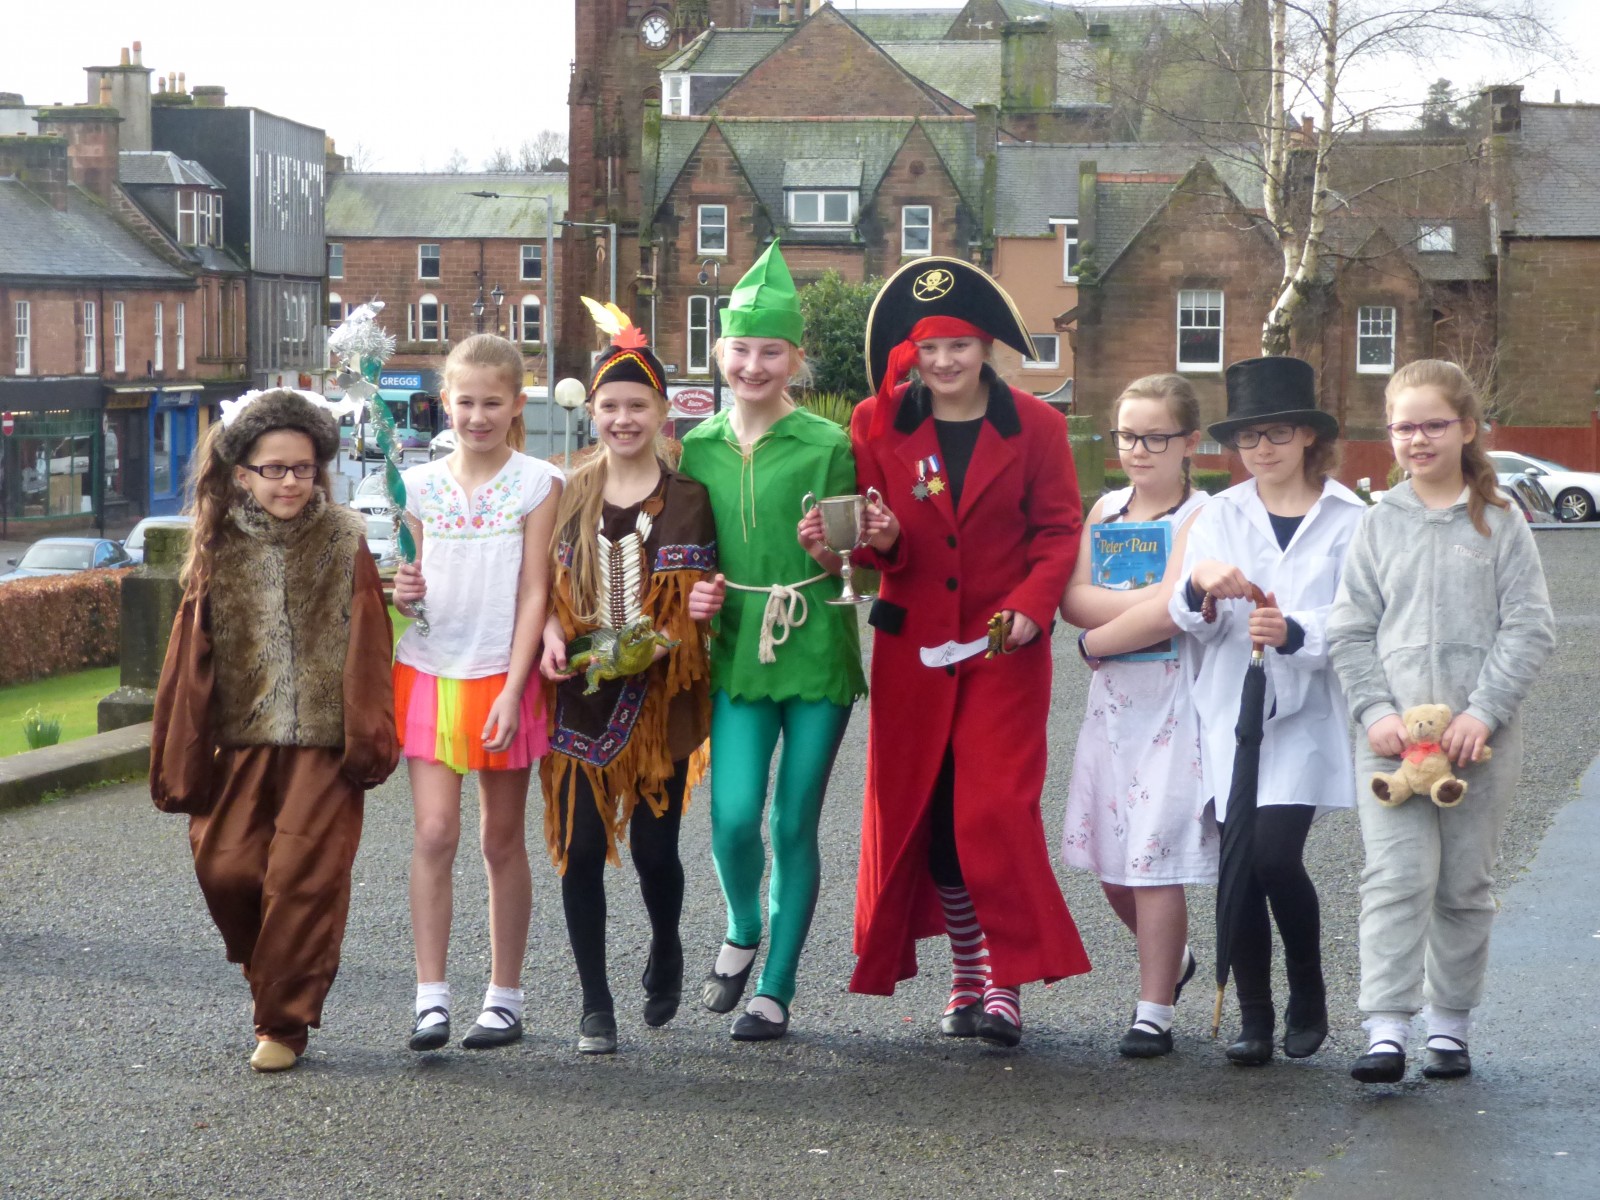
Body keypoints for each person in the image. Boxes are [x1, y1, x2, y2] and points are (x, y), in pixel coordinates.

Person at [847, 257, 1089, 1049]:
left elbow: (1058, 531)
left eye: (959, 345)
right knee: (929, 818)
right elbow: (873, 546)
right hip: (913, 651)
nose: (944, 361)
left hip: (1001, 649)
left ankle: (1006, 979)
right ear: (911, 352)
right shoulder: (876, 422)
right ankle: (968, 969)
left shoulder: (1039, 427)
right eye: (930, 347)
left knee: (993, 813)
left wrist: (1030, 606)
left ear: (986, 346)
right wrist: (881, 541)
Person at [150, 388, 398, 1073]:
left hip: (324, 743)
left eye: (303, 468)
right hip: (242, 739)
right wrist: (181, 753)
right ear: (242, 475)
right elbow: (190, 659)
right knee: (227, 869)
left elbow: (370, 641)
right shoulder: (219, 546)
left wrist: (368, 736)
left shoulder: (344, 539)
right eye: (275, 469)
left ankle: (282, 1024)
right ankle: (271, 967)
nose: (290, 482)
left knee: (301, 881)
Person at [1328, 359, 1554, 1083]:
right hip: (1392, 743)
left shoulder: (1502, 521)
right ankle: (1386, 1028)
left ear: (1467, 428)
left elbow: (1529, 628)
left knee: (1462, 885)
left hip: (1477, 745)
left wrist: (1483, 713)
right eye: (1403, 427)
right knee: (1396, 877)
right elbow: (1349, 630)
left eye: (1433, 424)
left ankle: (1449, 1025)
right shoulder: (1378, 522)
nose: (1417, 439)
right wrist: (1375, 711)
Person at [678, 241, 867, 1041]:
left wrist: (828, 555)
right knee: (729, 818)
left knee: (793, 823)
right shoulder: (694, 448)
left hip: (816, 645)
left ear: (795, 357)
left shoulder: (829, 444)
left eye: (771, 351)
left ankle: (776, 988)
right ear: (721, 352)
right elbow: (682, 555)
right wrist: (692, 594)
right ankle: (743, 923)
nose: (754, 366)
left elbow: (864, 568)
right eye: (742, 350)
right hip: (735, 647)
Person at [1167, 355, 1364, 1067]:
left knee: (1277, 856)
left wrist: (1296, 629)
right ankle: (1254, 1015)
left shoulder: (1350, 517)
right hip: (1232, 713)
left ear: (1309, 435)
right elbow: (1181, 613)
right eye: (1248, 437)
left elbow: (1360, 616)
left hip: (1303, 715)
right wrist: (1200, 585)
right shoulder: (1218, 514)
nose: (1262, 449)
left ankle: (1308, 989)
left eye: (1278, 433)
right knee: (1241, 866)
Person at [538, 303, 716, 1055]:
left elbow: (699, 601)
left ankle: (667, 944)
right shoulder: (567, 493)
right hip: (578, 695)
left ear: (662, 411)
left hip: (658, 697)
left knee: (653, 851)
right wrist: (550, 631)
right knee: (580, 848)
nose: (623, 418)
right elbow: (539, 584)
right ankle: (595, 1003)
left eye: (637, 405)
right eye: (610, 405)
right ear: (593, 412)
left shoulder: (689, 499)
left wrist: (683, 623)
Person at [392, 334, 563, 1052]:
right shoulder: (414, 486)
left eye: (493, 402)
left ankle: (504, 997)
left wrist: (514, 688)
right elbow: (407, 589)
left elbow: (534, 590)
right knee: (435, 833)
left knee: (500, 838)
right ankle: (430, 998)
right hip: (430, 671)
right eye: (465, 402)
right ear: (445, 402)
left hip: (502, 674)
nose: (478, 416)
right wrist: (402, 591)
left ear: (517, 404)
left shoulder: (538, 483)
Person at [1061, 374, 1215, 1058]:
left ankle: (1154, 1009)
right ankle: (1173, 959)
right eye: (1128, 436)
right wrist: (1152, 603)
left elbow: (1172, 612)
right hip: (1113, 708)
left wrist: (1097, 640)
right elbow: (1073, 598)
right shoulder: (1106, 510)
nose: (1139, 451)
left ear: (1189, 441)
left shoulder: (1204, 516)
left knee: (1153, 855)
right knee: (1111, 862)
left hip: (1177, 702)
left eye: (1156, 437)